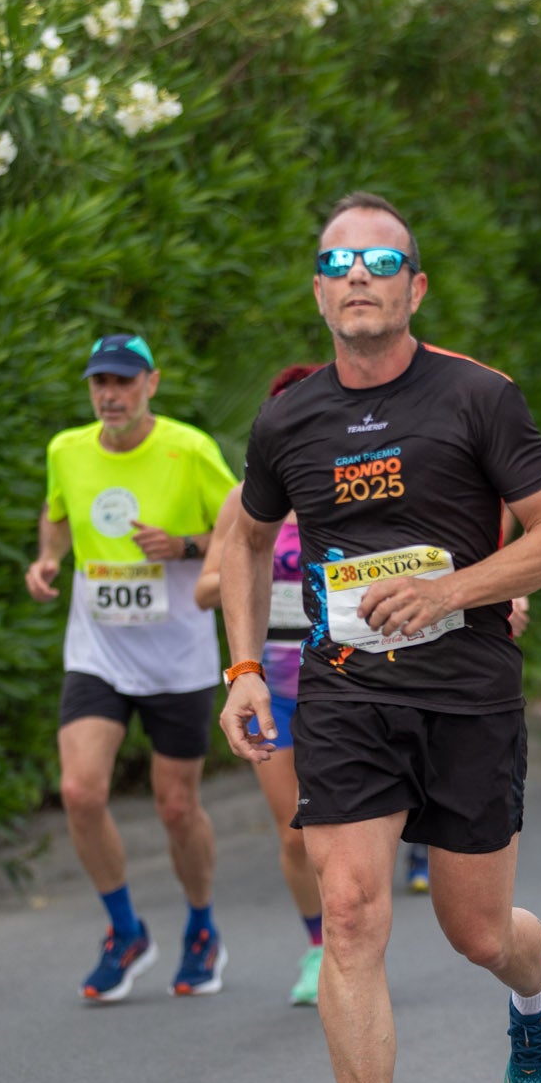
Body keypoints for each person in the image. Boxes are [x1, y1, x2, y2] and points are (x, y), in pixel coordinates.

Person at [217, 192, 541, 1083]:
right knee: (348, 914)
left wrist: (450, 590)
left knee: (476, 929)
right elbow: (247, 542)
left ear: (414, 288)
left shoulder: (478, 395)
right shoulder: (287, 421)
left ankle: (538, 989)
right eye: (339, 264)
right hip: (344, 692)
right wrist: (247, 667)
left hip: (466, 689)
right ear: (317, 291)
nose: (358, 278)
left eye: (380, 264)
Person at [26, 334, 238, 1002]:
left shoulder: (189, 448)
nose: (109, 394)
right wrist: (49, 558)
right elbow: (57, 515)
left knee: (177, 806)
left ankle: (202, 927)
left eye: (123, 381)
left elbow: (245, 529)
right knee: (81, 791)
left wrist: (184, 545)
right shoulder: (67, 448)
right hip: (99, 651)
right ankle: (125, 930)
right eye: (99, 383)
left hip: (178, 655)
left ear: (152, 381)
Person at [194, 364, 328, 1005]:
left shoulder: (348, 484)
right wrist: (252, 566)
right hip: (271, 683)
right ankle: (319, 948)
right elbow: (203, 589)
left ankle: (355, 938)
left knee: (353, 827)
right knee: (296, 831)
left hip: (345, 676)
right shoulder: (245, 498)